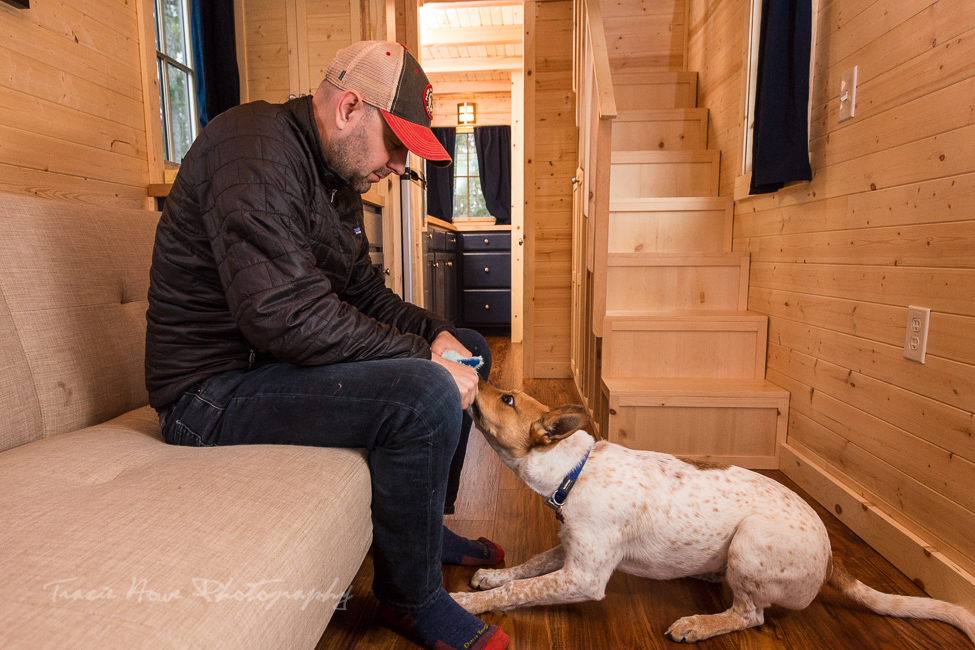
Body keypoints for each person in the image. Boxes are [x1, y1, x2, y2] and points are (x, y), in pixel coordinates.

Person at [145, 40, 509, 650]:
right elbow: (283, 316)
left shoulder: (333, 179)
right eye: (396, 145)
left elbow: (364, 294)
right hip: (207, 397)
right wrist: (424, 359)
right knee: (425, 391)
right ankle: (410, 598)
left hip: (268, 369)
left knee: (466, 344)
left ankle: (423, 530)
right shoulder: (253, 148)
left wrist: (433, 335)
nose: (398, 166)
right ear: (347, 109)